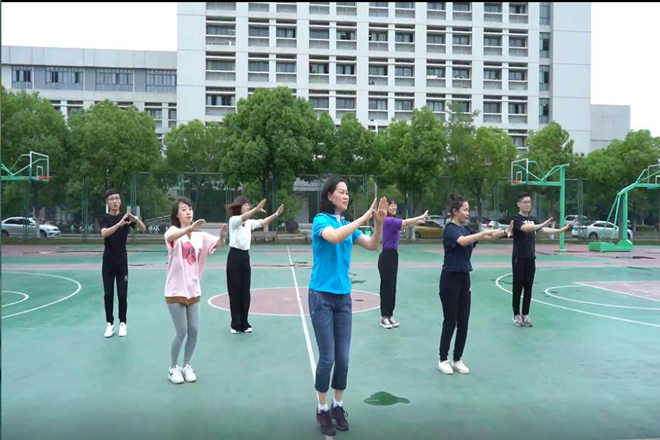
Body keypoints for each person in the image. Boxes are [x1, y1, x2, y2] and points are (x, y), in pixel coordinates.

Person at [309, 175, 388, 436]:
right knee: (328, 357)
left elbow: (373, 245)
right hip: (321, 296)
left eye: (347, 192)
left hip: (343, 298)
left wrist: (378, 224)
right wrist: (363, 218)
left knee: (343, 357)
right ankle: (322, 409)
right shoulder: (321, 221)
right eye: (341, 192)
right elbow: (333, 237)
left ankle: (338, 406)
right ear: (329, 195)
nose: (346, 196)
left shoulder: (348, 225)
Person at [438, 194, 512, 375]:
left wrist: (504, 232)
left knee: (463, 320)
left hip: (464, 278)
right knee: (450, 320)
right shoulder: (451, 229)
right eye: (465, 210)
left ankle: (457, 359)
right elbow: (463, 241)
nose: (468, 213)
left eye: (468, 210)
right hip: (450, 278)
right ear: (455, 211)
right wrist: (483, 233)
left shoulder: (467, 229)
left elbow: (488, 235)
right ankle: (443, 359)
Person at [164, 197, 228, 384]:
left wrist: (222, 236)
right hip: (175, 290)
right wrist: (189, 229)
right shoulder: (173, 231)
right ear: (177, 215)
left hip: (193, 290)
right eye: (184, 209)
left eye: (190, 209)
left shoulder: (200, 236)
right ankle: (173, 368)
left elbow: (218, 243)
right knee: (181, 331)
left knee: (194, 330)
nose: (188, 212)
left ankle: (186, 365)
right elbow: (170, 237)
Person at [510, 193, 572, 327]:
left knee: (528, 287)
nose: (528, 204)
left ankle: (525, 315)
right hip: (518, 258)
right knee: (518, 286)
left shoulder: (533, 219)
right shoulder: (516, 219)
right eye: (525, 202)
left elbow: (544, 230)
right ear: (519, 204)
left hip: (530, 258)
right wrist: (541, 224)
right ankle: (516, 314)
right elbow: (527, 228)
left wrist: (562, 230)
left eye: (529, 202)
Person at [226, 196, 284, 334]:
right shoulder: (233, 220)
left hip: (245, 257)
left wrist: (276, 215)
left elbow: (262, 222)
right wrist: (256, 209)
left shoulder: (249, 223)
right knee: (235, 292)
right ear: (240, 206)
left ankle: (244, 323)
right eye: (246, 205)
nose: (248, 207)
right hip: (234, 257)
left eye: (249, 205)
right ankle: (235, 324)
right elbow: (243, 218)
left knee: (245, 292)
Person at [98, 189, 146, 338]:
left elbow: (143, 228)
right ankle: (110, 324)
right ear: (107, 202)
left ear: (120, 201)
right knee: (108, 294)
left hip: (122, 262)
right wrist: (119, 224)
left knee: (122, 294)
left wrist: (135, 219)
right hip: (108, 262)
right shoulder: (104, 218)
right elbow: (104, 233)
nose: (114, 201)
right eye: (111, 199)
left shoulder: (126, 218)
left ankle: (123, 323)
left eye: (117, 198)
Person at [378, 198, 429, 329]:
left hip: (393, 255)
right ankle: (384, 317)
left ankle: (390, 315)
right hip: (386, 256)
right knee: (386, 288)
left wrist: (416, 221)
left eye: (395, 206)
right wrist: (419, 217)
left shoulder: (394, 221)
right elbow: (405, 222)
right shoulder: (388, 220)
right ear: (386, 207)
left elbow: (404, 225)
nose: (394, 208)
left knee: (392, 287)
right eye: (391, 206)